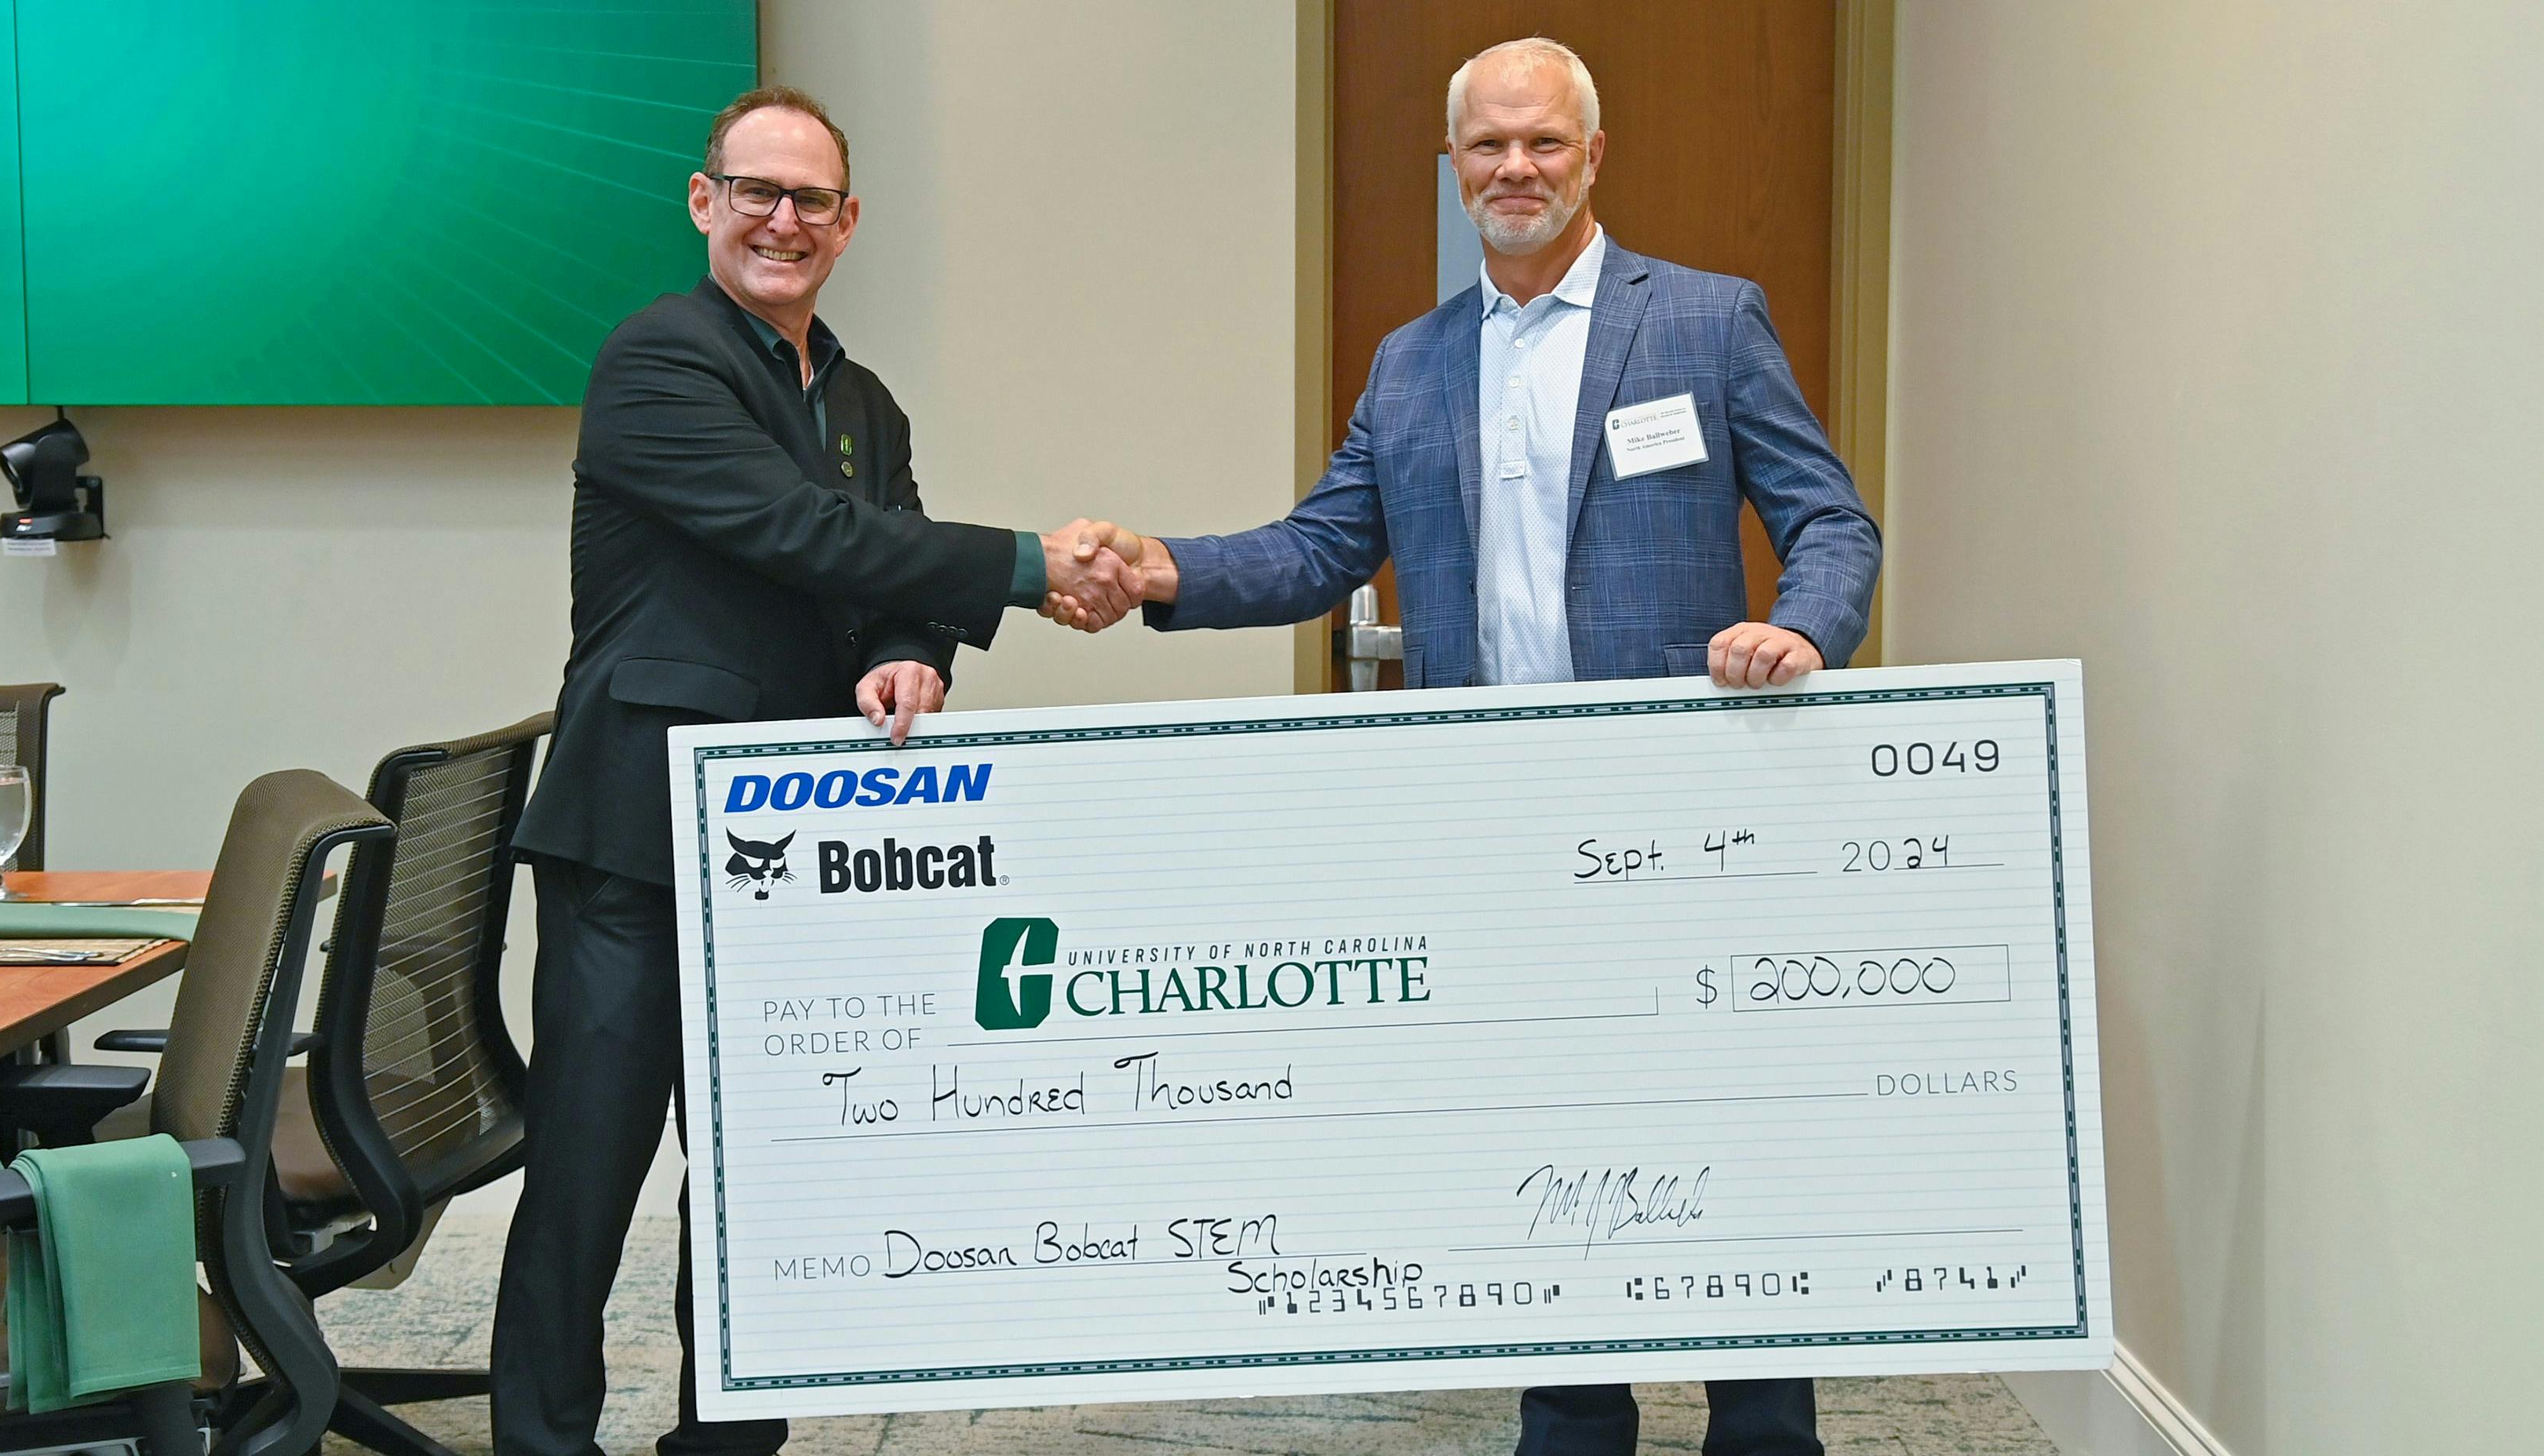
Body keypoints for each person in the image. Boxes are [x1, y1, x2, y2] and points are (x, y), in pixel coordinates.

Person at [1048, 38, 1878, 1456]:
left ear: (1593, 156)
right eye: (1487, 146)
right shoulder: (1415, 363)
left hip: (1688, 818)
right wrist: (1161, 570)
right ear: (1453, 165)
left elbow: (1831, 522)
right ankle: (1569, 1423)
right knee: (1546, 1137)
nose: (1515, 169)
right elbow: (1320, 548)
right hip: (1496, 827)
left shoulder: (1705, 322)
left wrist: (1801, 632)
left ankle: (1762, 1428)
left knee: (1723, 1141)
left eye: (1543, 144)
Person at [497, 85, 1135, 1456]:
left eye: (811, 201)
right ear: (703, 202)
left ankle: (726, 1446)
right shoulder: (656, 363)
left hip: (792, 863)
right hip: (632, 844)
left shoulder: (862, 397)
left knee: (758, 1195)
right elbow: (804, 537)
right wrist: (1031, 565)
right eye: (756, 193)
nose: (782, 222)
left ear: (848, 223)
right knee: (583, 1188)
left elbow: (882, 558)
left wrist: (919, 656)